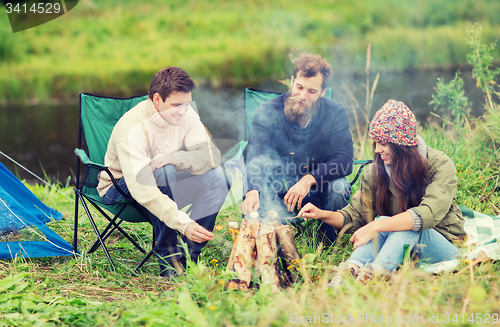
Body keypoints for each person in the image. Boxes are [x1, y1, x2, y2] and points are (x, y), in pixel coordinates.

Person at [298, 99, 466, 286]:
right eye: (375, 143)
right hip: (401, 246)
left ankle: (375, 273)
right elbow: (354, 215)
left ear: (401, 144)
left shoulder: (440, 165)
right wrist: (322, 214)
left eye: (383, 143)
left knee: (394, 224)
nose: (377, 149)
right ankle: (349, 271)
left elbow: (428, 214)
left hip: (444, 247)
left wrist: (375, 227)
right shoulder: (376, 172)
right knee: (385, 223)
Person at [97, 67, 229, 277]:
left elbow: (212, 155)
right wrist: (183, 223)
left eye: (187, 104)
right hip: (121, 187)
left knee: (219, 176)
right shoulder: (132, 128)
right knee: (164, 171)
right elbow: (142, 189)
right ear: (157, 99)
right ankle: (169, 260)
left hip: (166, 183)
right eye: (176, 105)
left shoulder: (186, 113)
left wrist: (178, 158)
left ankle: (190, 256)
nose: (184, 111)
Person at [241, 53, 354, 244]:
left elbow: (345, 161)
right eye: (299, 87)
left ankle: (326, 243)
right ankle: (273, 239)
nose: (302, 96)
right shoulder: (267, 111)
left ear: (323, 92)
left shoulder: (335, 112)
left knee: (339, 186)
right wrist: (252, 189)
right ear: (292, 81)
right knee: (260, 190)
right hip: (279, 189)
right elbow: (256, 157)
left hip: (319, 190)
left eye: (311, 91)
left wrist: (309, 180)